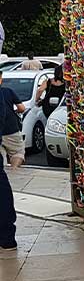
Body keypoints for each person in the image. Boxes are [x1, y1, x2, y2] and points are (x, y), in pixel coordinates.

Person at [0, 70, 27, 250]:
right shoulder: (6, 92)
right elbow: (21, 108)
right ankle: (7, 237)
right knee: (17, 152)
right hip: (9, 131)